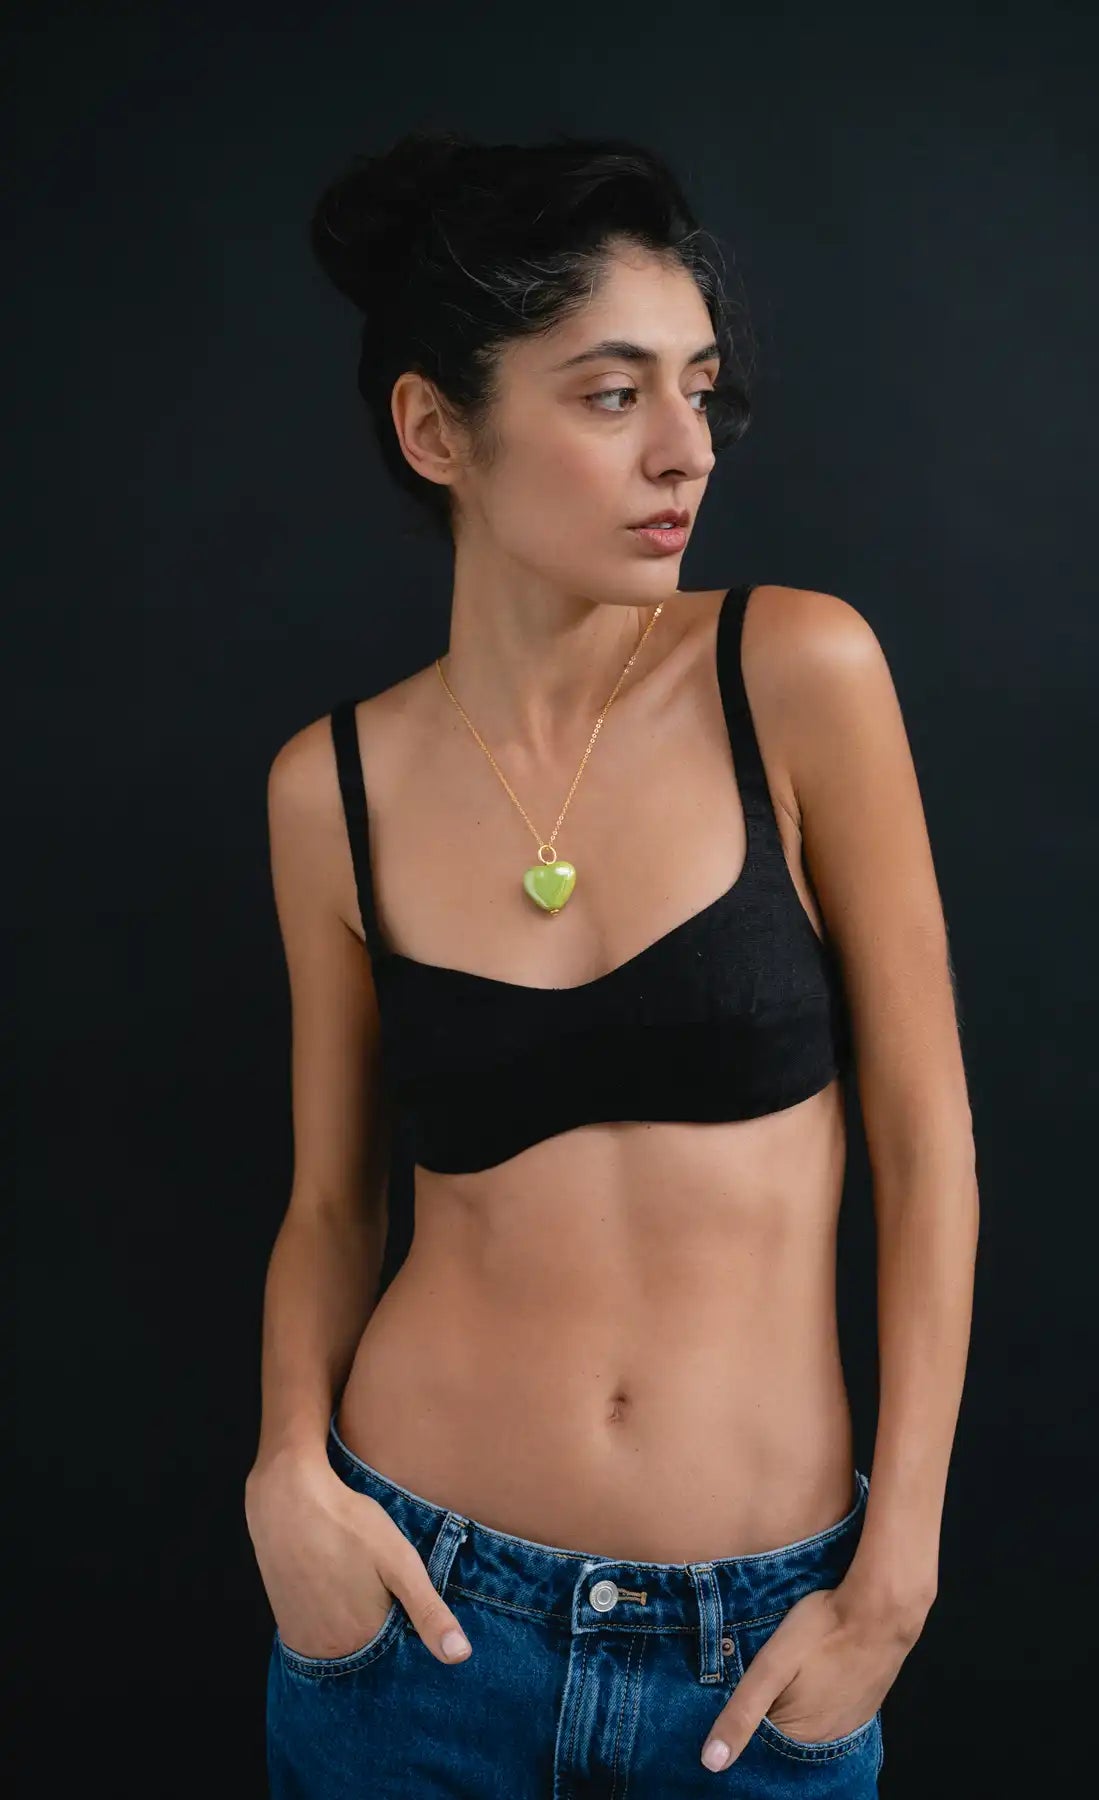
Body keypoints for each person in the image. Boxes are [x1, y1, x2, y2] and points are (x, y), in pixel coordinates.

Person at [244, 126, 978, 1798]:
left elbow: (928, 1135)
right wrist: (288, 1472)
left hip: (754, 1657)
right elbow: (332, 1208)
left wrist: (896, 1575)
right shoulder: (329, 790)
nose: (685, 450)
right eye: (611, 394)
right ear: (437, 429)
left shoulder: (794, 672)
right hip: (413, 1626)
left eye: (698, 389)